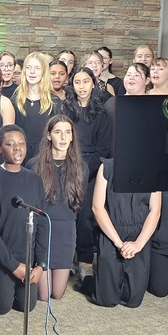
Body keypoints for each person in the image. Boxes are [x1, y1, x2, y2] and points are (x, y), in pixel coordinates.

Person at [0, 126, 48, 315]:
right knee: (2, 308)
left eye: (21, 143)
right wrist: (13, 266)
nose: (17, 148)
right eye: (10, 144)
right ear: (0, 148)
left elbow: (42, 222)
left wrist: (40, 265)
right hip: (3, 256)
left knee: (27, 307)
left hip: (28, 255)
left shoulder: (34, 180)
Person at [63, 67, 112, 286]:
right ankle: (64, 258)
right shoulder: (64, 108)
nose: (81, 86)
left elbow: (103, 149)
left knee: (84, 218)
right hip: (65, 166)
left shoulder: (101, 113)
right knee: (64, 215)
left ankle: (84, 261)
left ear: (93, 84)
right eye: (77, 82)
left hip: (90, 170)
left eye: (85, 82)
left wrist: (82, 172)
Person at [27, 116, 85, 300]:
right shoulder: (34, 165)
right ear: (49, 135)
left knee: (57, 294)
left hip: (66, 230)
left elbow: (79, 205)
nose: (63, 137)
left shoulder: (81, 167)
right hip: (43, 229)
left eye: (68, 132)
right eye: (58, 132)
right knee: (43, 296)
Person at [90, 158, 161, 307]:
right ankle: (89, 281)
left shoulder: (153, 169)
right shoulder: (107, 167)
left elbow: (155, 211)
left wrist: (138, 244)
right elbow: (97, 208)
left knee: (133, 301)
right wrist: (118, 243)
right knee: (107, 300)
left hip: (139, 234)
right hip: (110, 232)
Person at [13, 52, 61, 165]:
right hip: (19, 154)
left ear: (44, 72)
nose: (32, 72)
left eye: (37, 68)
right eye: (29, 68)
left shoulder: (54, 101)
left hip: (45, 155)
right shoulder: (15, 99)